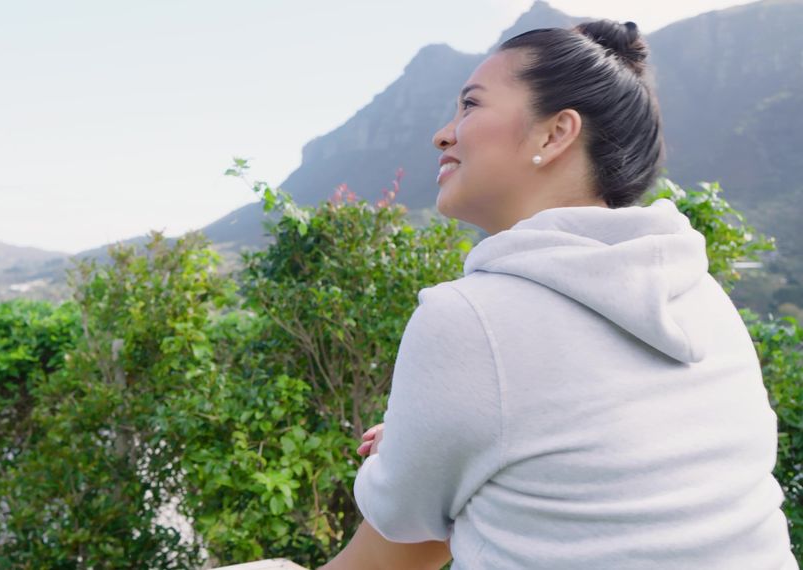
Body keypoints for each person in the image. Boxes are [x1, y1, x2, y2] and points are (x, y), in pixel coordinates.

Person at [318, 18, 797, 570]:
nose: (443, 134)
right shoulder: (703, 297)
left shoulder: (470, 319)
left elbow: (402, 523)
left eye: (470, 106)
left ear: (554, 134)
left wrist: (401, 457)